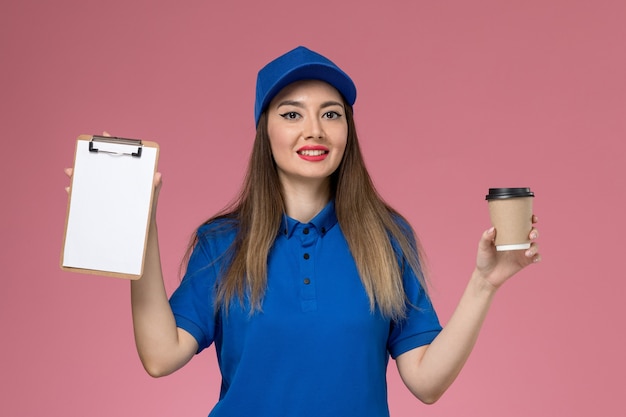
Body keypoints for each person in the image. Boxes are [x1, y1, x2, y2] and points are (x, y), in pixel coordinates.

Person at [69, 46, 540, 416]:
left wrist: (485, 283)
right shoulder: (222, 243)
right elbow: (159, 355)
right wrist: (136, 224)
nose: (313, 129)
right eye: (292, 114)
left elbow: (426, 382)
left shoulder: (387, 238)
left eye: (331, 113)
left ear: (347, 132)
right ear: (265, 131)